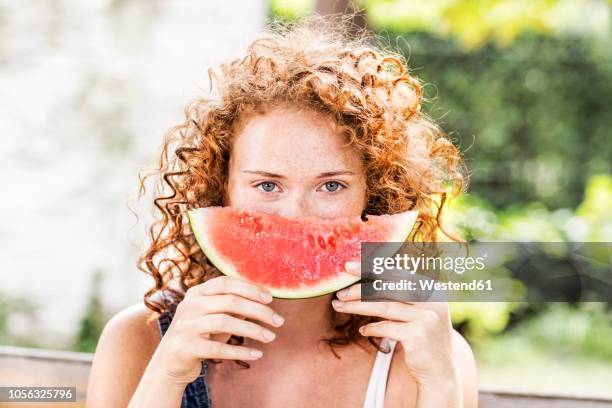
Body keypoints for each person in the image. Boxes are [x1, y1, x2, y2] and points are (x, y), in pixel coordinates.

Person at [87, 14, 478, 408]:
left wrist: (440, 383)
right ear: (220, 187)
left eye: (331, 186)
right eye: (267, 185)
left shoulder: (420, 356)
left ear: (372, 196)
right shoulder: (138, 341)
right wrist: (168, 374)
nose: (295, 215)